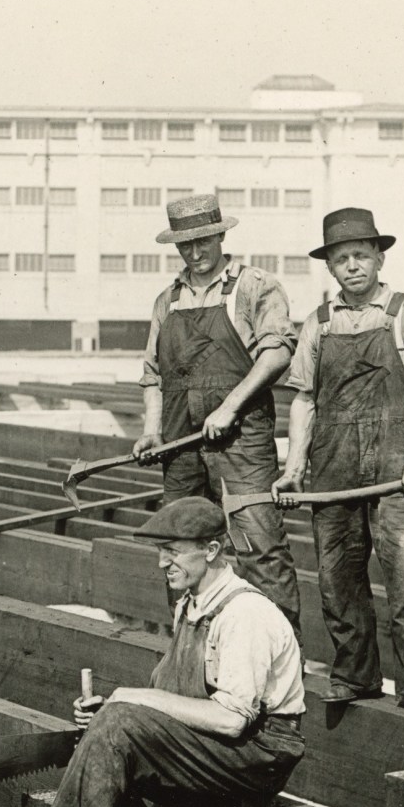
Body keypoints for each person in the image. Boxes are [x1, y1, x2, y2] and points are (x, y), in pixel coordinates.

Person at [22, 497, 305, 807]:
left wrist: (132, 705)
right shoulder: (190, 604)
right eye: (160, 551)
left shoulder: (244, 614)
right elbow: (177, 698)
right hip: (224, 745)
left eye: (172, 552)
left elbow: (231, 718)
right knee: (113, 724)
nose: (161, 563)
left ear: (211, 551)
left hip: (258, 752)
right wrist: (111, 710)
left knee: (120, 723)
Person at [276, 207, 404, 720]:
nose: (352, 265)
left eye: (361, 255)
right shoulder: (317, 324)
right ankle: (354, 676)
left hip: (398, 472)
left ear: (379, 257)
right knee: (337, 580)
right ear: (330, 268)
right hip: (333, 470)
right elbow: (304, 401)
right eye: (341, 258)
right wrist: (293, 468)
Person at [131, 193, 301, 622]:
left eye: (203, 241)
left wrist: (229, 406)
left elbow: (278, 352)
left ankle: (277, 661)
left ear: (221, 234)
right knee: (179, 547)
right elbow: (153, 374)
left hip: (241, 441)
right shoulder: (166, 301)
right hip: (180, 446)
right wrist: (153, 431)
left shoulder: (254, 287)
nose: (195, 252)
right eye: (184, 245)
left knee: (258, 545)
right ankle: (192, 656)